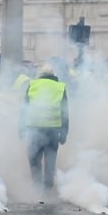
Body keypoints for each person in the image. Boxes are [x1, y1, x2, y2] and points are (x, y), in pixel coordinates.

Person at [19, 63, 69, 192]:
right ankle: (47, 188)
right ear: (53, 75)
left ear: (39, 74)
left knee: (34, 159)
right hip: (53, 130)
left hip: (34, 129)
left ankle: (36, 187)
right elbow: (65, 112)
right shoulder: (60, 87)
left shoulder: (32, 85)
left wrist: (21, 129)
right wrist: (64, 133)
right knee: (50, 160)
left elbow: (24, 109)